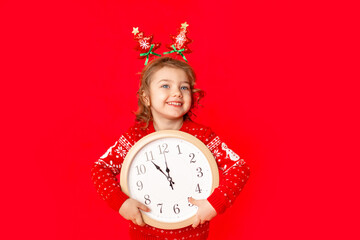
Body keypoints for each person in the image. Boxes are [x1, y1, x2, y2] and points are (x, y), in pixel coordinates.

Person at [91, 57, 250, 240]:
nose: (177, 93)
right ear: (146, 97)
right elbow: (100, 168)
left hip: (193, 235)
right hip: (143, 235)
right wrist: (121, 202)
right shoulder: (134, 138)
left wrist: (215, 204)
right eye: (166, 86)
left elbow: (239, 168)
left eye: (184, 87)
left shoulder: (203, 137)